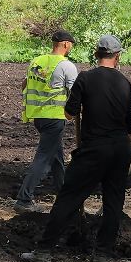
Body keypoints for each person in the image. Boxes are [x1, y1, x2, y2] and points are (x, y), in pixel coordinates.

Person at [22, 34, 131, 262]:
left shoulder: (85, 78)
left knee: (68, 197)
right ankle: (102, 254)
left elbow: (69, 114)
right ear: (117, 56)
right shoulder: (127, 84)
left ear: (96, 55)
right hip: (120, 149)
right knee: (114, 203)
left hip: (94, 149)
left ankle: (44, 251)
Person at [14, 30, 79, 212]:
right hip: (55, 117)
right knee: (43, 159)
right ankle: (23, 199)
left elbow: (25, 84)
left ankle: (63, 194)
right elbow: (75, 93)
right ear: (66, 44)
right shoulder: (66, 66)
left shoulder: (37, 61)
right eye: (71, 45)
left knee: (57, 156)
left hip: (38, 117)